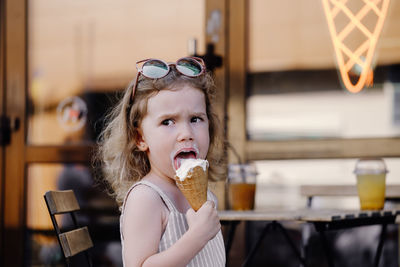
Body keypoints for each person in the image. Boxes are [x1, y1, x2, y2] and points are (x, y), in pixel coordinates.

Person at [97, 57, 226, 266]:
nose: (186, 133)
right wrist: (198, 236)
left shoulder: (206, 196)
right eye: (168, 122)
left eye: (196, 119)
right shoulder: (146, 198)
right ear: (140, 138)